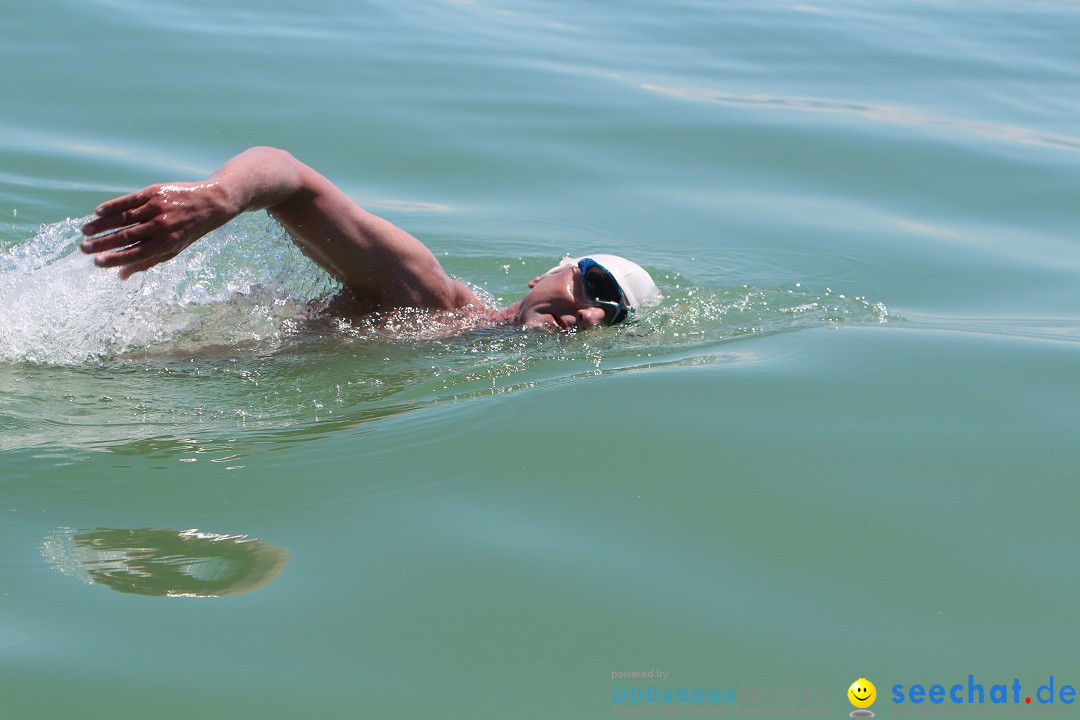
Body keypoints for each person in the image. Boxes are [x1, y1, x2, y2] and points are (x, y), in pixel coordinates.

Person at [79, 146, 660, 331]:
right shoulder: (427, 296)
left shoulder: (463, 355)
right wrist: (221, 196)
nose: (592, 312)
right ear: (544, 276)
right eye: (595, 284)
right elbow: (287, 177)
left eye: (615, 314)